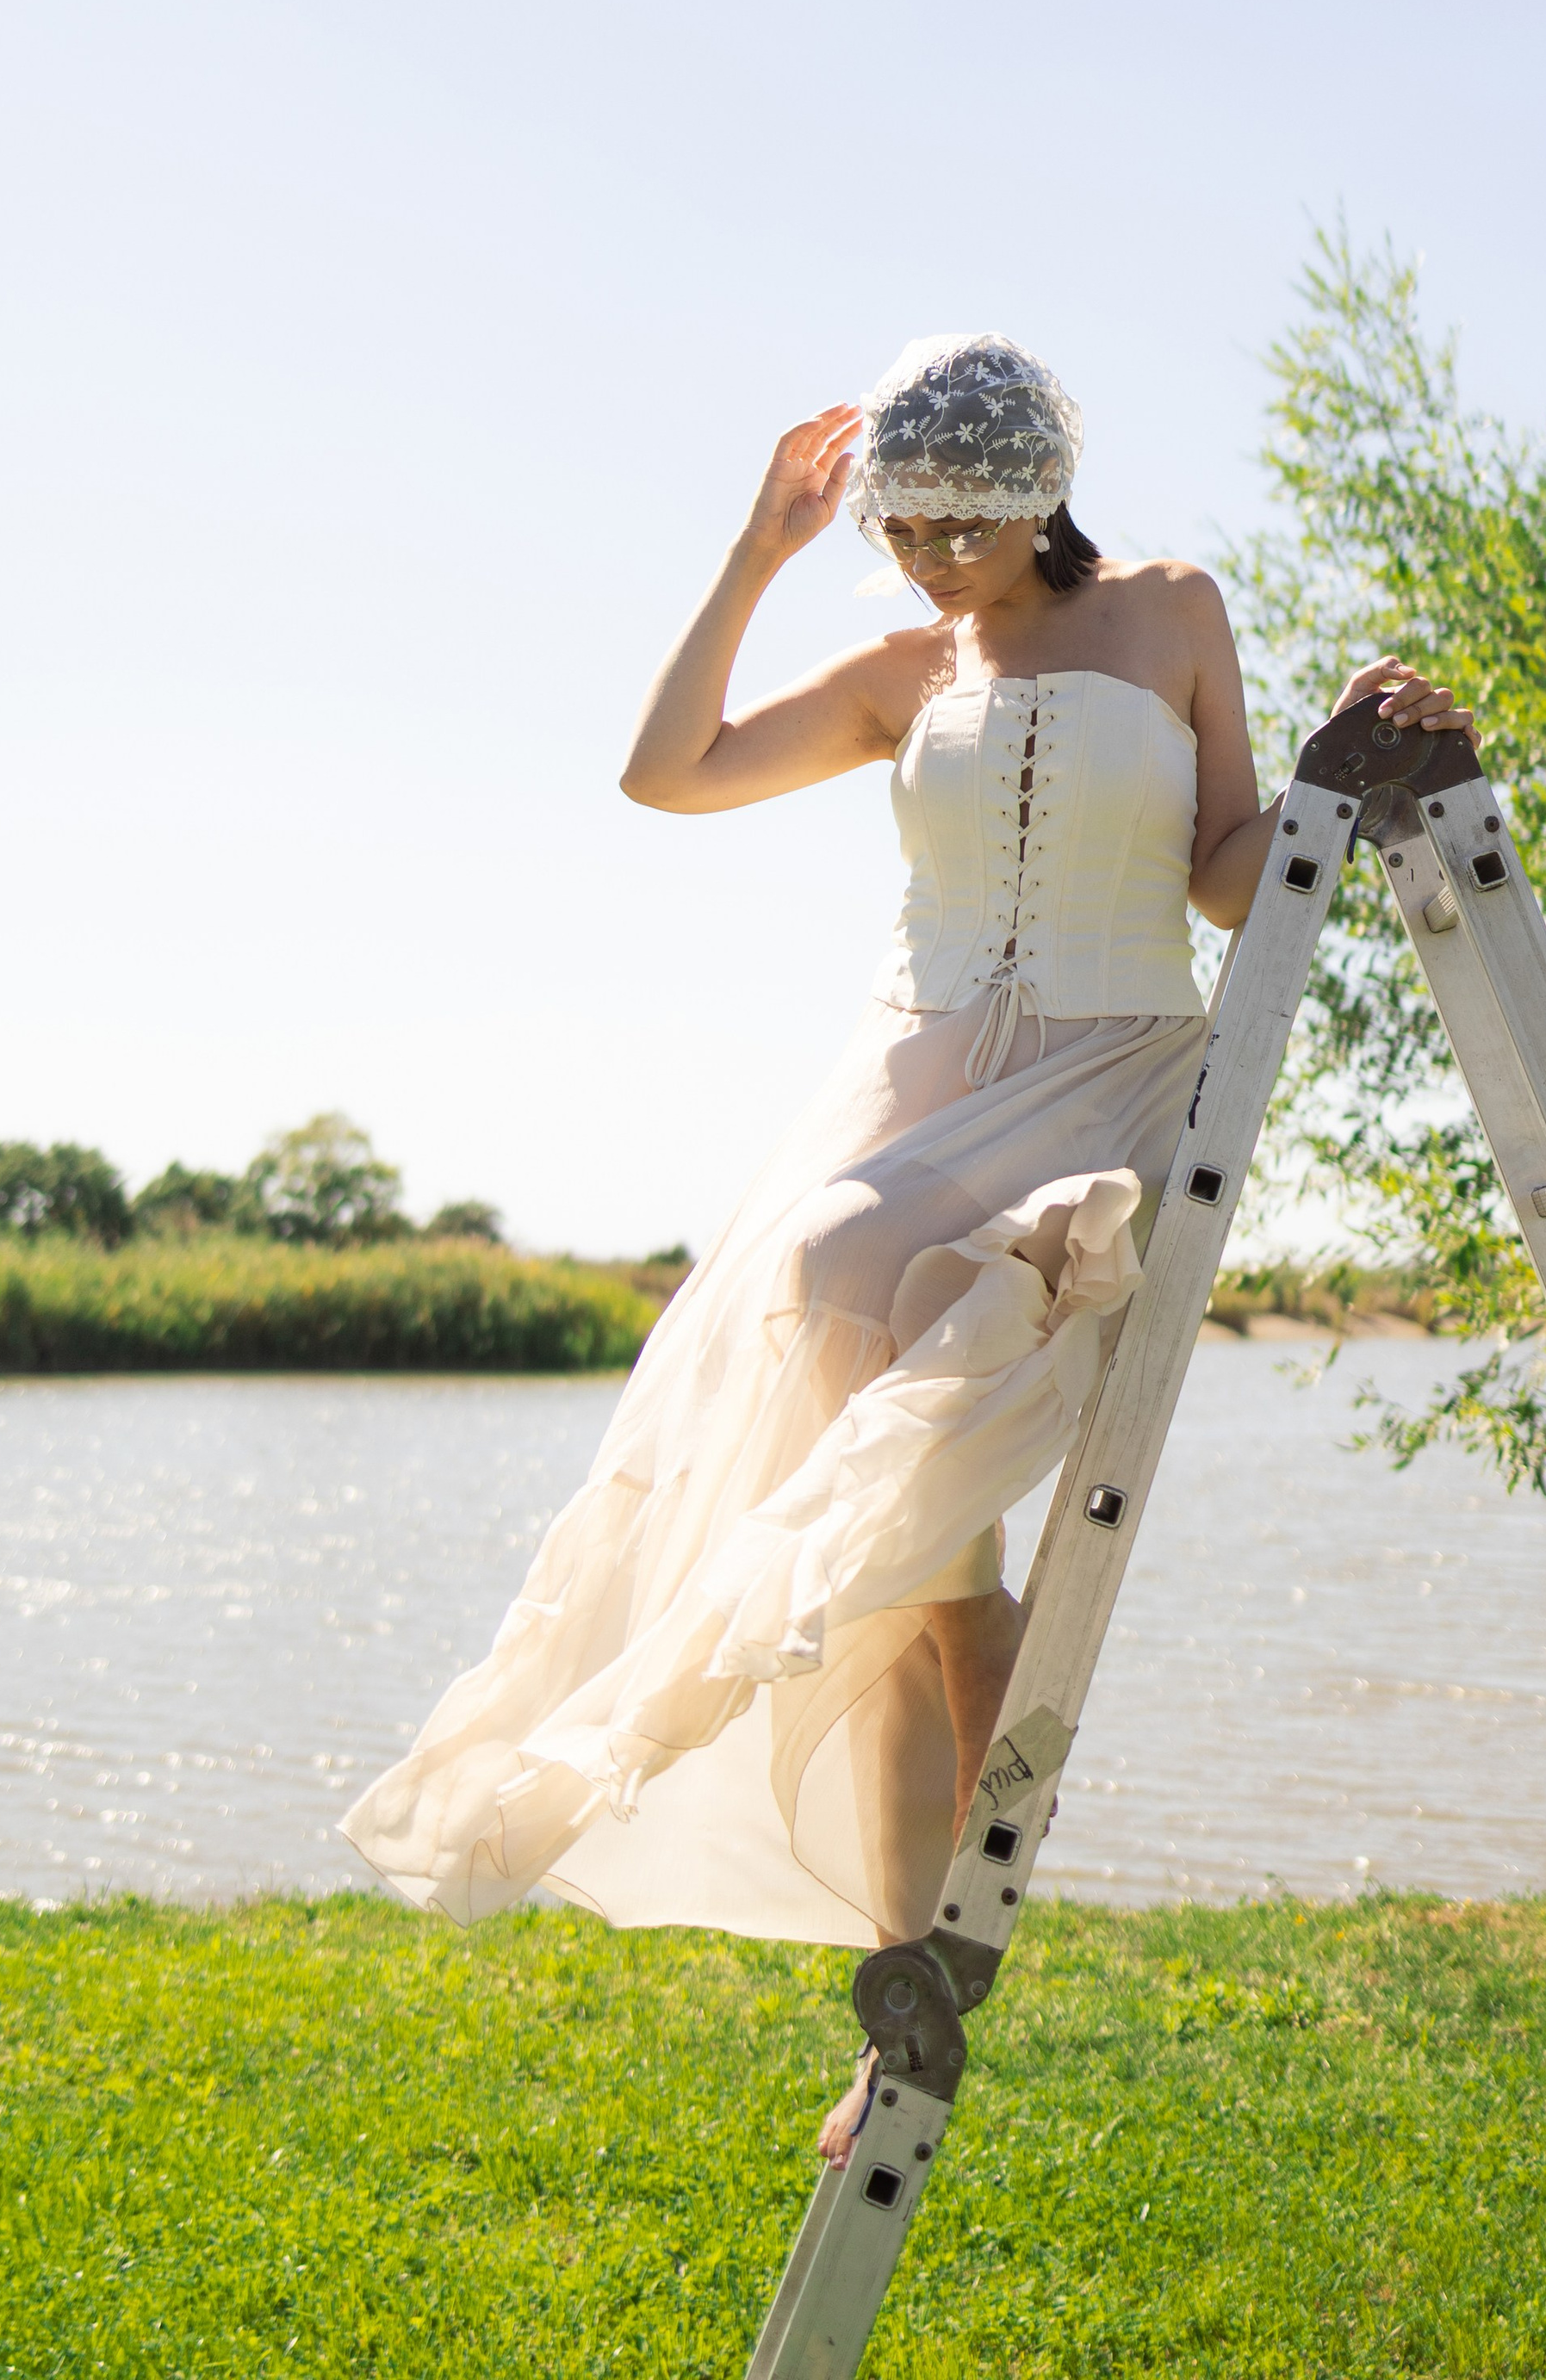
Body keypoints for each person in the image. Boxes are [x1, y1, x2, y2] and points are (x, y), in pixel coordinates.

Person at [341, 332, 1472, 2159]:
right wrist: (757, 551)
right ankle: (909, 1957)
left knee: (899, 1395)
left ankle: (954, 1711)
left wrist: (1343, 780)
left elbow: (1220, 872)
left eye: (965, 525)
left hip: (1109, 1066)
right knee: (839, 1353)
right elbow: (666, 772)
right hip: (914, 1077)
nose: (936, 560)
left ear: (1041, 494)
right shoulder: (902, 671)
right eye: (905, 530)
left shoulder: (1172, 610)